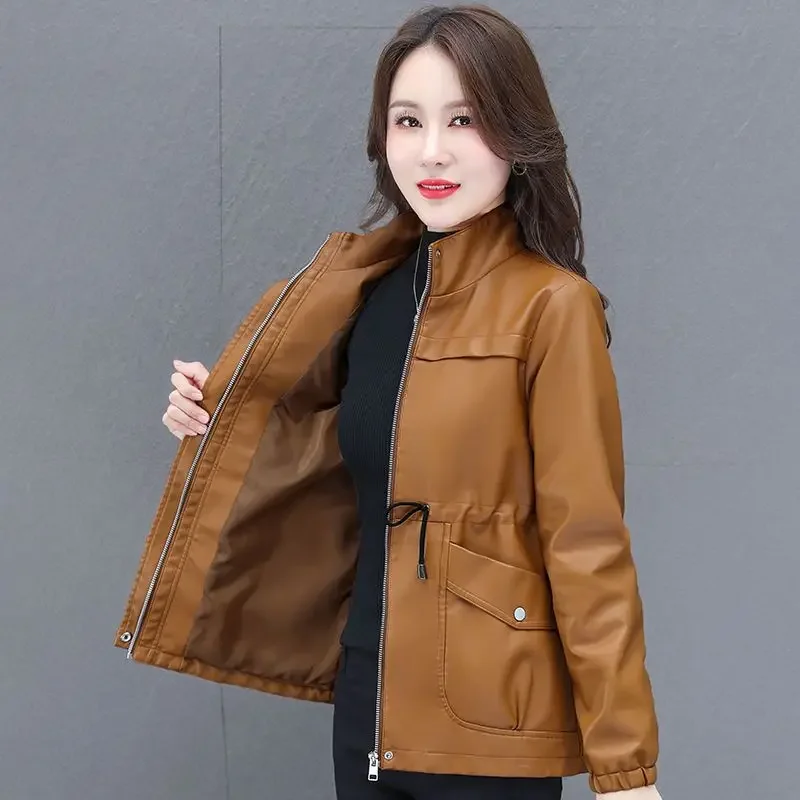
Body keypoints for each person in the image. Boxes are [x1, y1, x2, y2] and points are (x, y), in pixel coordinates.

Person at [116, 5, 662, 799]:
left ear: (517, 132)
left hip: (488, 732)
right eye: (408, 121)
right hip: (367, 709)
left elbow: (588, 545)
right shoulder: (364, 295)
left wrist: (626, 769)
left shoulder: (553, 308)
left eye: (464, 119)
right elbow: (339, 472)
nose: (432, 150)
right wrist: (213, 414)